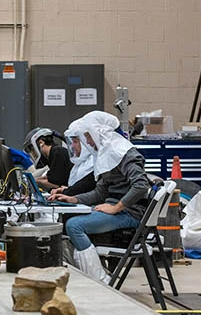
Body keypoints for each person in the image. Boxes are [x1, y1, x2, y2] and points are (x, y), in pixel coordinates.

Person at [49, 111, 151, 283]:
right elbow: (100, 192)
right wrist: (74, 199)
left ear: (100, 132)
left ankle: (100, 280)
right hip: (119, 211)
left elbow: (141, 185)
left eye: (88, 136)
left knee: (74, 225)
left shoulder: (125, 153)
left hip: (130, 213)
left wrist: (116, 207)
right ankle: (91, 276)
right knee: (70, 220)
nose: (87, 142)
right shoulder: (107, 155)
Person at [50, 118, 97, 197]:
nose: (72, 146)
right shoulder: (79, 165)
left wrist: (67, 191)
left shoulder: (93, 163)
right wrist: (66, 190)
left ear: (84, 143)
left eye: (75, 142)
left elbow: (85, 187)